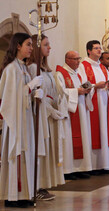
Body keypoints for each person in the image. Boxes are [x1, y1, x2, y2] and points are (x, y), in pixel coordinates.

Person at [0, 33, 43, 208]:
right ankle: (12, 196)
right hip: (16, 123)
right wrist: (30, 86)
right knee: (16, 156)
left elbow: (24, 95)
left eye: (32, 45)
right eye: (28, 44)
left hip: (25, 120)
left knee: (27, 155)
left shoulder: (24, 68)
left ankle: (24, 193)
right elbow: (9, 98)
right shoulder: (11, 69)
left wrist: (34, 95)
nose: (31, 48)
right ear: (18, 46)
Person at [28, 34, 65, 200]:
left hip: (50, 116)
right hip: (40, 116)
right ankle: (35, 187)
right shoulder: (33, 68)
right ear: (37, 48)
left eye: (49, 44)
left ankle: (42, 185)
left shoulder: (46, 70)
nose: (49, 47)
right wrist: (49, 110)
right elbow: (35, 96)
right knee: (39, 151)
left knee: (48, 152)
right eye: (45, 45)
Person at [78, 40, 109, 173]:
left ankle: (104, 164)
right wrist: (96, 86)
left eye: (100, 48)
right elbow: (82, 85)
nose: (99, 50)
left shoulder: (102, 67)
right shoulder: (83, 66)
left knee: (104, 132)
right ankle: (93, 166)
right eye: (96, 48)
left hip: (104, 103)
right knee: (93, 131)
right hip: (92, 105)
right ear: (89, 50)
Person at [54, 51, 93, 179]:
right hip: (70, 113)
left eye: (79, 58)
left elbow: (81, 90)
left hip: (81, 111)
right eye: (76, 59)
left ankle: (80, 168)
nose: (78, 61)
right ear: (68, 60)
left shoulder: (78, 74)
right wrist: (77, 91)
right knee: (69, 141)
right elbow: (60, 93)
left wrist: (87, 91)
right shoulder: (60, 74)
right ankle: (68, 169)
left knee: (82, 138)